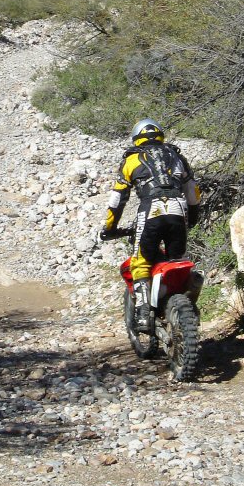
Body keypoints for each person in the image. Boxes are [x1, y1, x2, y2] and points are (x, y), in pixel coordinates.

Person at [100, 118, 201, 330]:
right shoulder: (177, 156)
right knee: (179, 261)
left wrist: (110, 227)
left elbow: (118, 199)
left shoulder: (131, 160)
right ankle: (189, 306)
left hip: (151, 210)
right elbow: (192, 191)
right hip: (178, 208)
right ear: (161, 136)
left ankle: (144, 313)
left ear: (136, 140)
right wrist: (192, 218)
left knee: (140, 263)